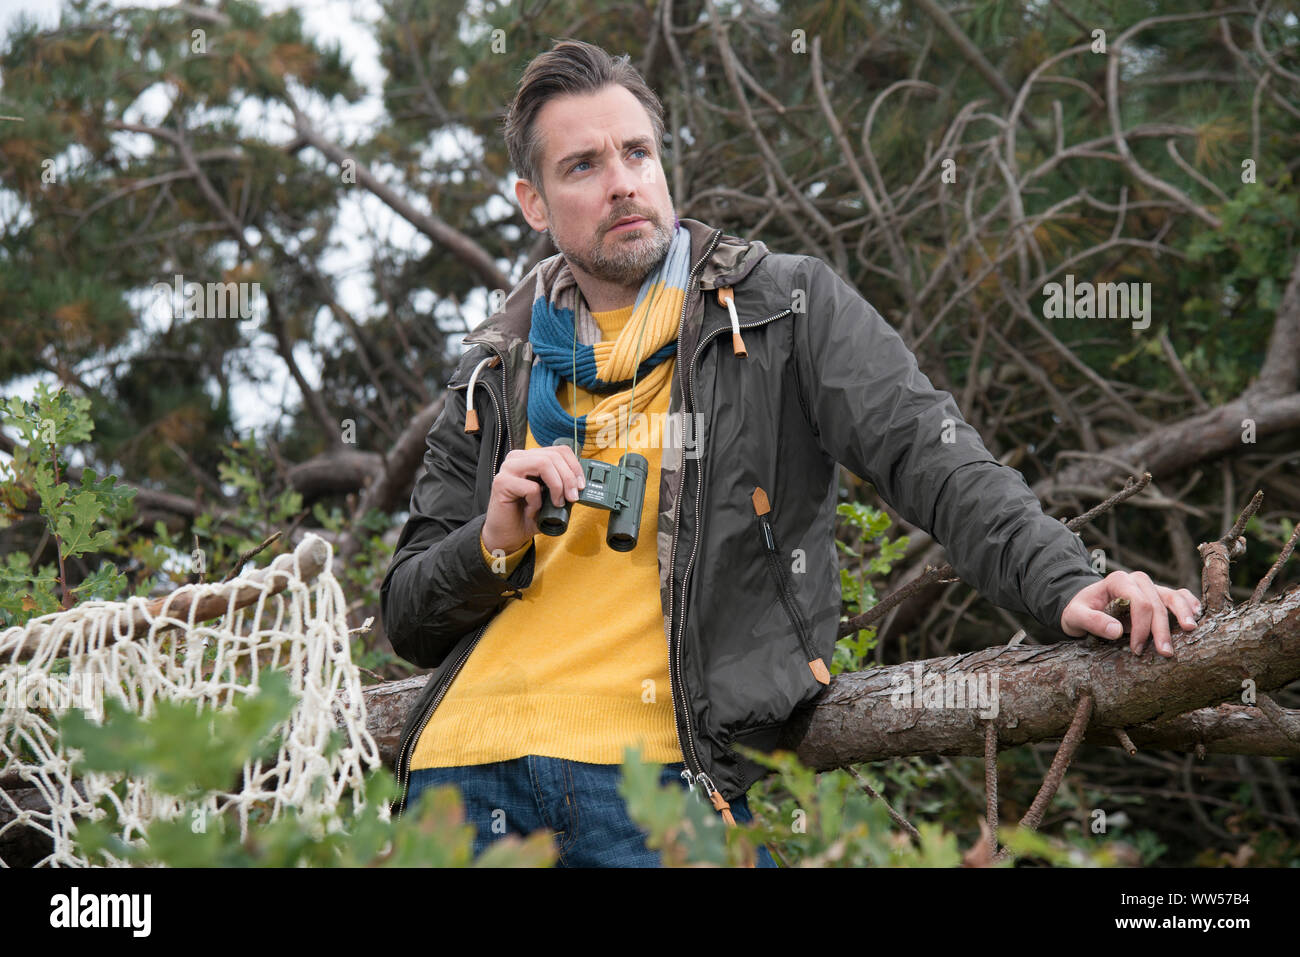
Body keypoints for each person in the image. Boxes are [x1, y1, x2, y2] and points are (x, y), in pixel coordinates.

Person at [379, 38, 1202, 868]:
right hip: (459, 779)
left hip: (653, 778)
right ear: (533, 201)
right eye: (583, 166)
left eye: (637, 152)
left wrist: (1066, 579)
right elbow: (407, 612)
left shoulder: (781, 307)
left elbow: (935, 457)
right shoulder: (496, 363)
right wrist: (492, 543)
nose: (623, 182)